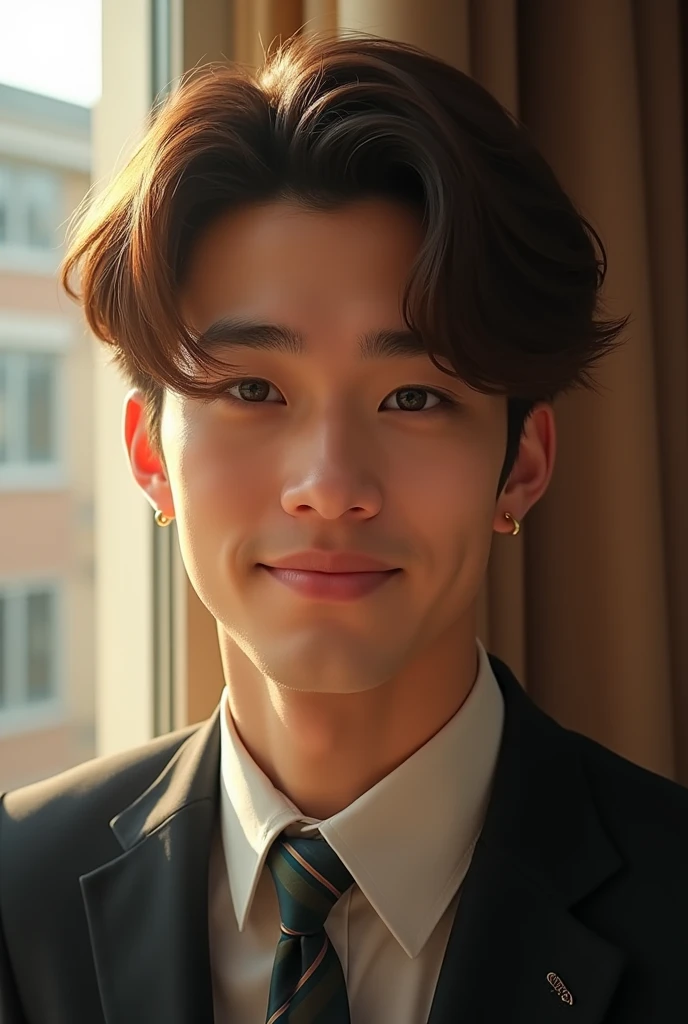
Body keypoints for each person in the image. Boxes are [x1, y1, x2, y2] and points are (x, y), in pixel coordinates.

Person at [1, 31, 686, 1024]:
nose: (328, 486)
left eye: (411, 397)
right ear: (151, 458)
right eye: (251, 388)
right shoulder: (19, 896)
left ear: (521, 467)